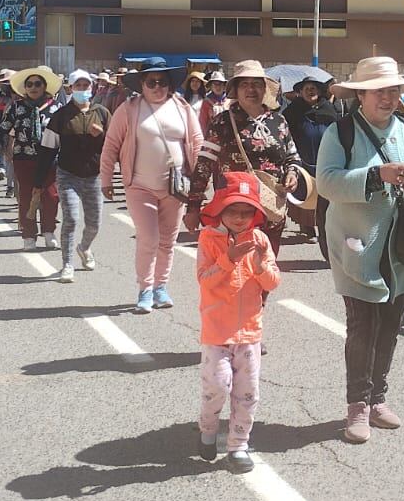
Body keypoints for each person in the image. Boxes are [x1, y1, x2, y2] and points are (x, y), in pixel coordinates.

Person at [316, 56, 404, 445]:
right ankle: (357, 405)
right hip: (356, 245)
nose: (387, 98)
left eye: (393, 91)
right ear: (361, 95)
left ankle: (377, 400)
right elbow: (326, 182)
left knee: (390, 325)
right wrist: (377, 175)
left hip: (400, 246)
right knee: (362, 327)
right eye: (379, 91)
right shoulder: (341, 133)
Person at [195, 171, 282, 474]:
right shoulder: (208, 238)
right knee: (217, 385)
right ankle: (208, 428)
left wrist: (259, 266)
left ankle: (238, 445)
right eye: (233, 210)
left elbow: (272, 282)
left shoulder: (259, 239)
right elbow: (205, 281)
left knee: (248, 392)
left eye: (247, 212)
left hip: (249, 332)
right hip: (217, 331)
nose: (240, 218)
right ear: (220, 209)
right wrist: (228, 259)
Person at [101, 61, 203, 313]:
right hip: (140, 185)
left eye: (163, 82)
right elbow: (111, 144)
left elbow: (197, 141)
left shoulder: (182, 107)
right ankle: (145, 289)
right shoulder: (129, 109)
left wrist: (200, 180)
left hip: (175, 187)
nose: (158, 87)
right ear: (142, 85)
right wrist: (106, 179)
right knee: (149, 238)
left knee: (168, 240)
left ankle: (161, 287)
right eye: (151, 82)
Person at [186, 60, 302, 254]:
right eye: (245, 84)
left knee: (265, 268)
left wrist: (292, 174)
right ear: (236, 90)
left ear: (265, 88)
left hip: (270, 209)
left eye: (257, 84)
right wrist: (193, 207)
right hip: (235, 212)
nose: (251, 89)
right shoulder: (221, 122)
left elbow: (292, 157)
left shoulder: (278, 121)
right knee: (235, 269)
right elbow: (204, 165)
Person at [42, 69, 109, 283]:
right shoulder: (61, 116)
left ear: (92, 87)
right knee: (70, 218)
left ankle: (84, 248)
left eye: (86, 86)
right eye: (78, 86)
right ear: (70, 89)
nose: (82, 90)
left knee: (94, 223)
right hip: (67, 173)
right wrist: (41, 177)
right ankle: (67, 264)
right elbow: (48, 147)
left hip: (93, 175)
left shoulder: (102, 112)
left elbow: (114, 144)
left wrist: (102, 135)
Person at [0, 66, 62, 251]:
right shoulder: (16, 107)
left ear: (44, 86)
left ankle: (49, 231)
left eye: (37, 84)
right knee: (26, 197)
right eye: (29, 84)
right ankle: (29, 236)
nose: (33, 87)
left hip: (50, 159)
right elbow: (2, 130)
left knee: (51, 196)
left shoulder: (55, 107)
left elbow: (66, 132)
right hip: (23, 158)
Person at [283, 76, 340, 254]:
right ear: (300, 92)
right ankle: (307, 226)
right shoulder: (293, 111)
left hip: (326, 158)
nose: (310, 91)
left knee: (324, 194)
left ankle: (323, 225)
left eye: (314, 88)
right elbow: (284, 133)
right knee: (304, 191)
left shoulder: (328, 109)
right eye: (307, 88)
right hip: (302, 156)